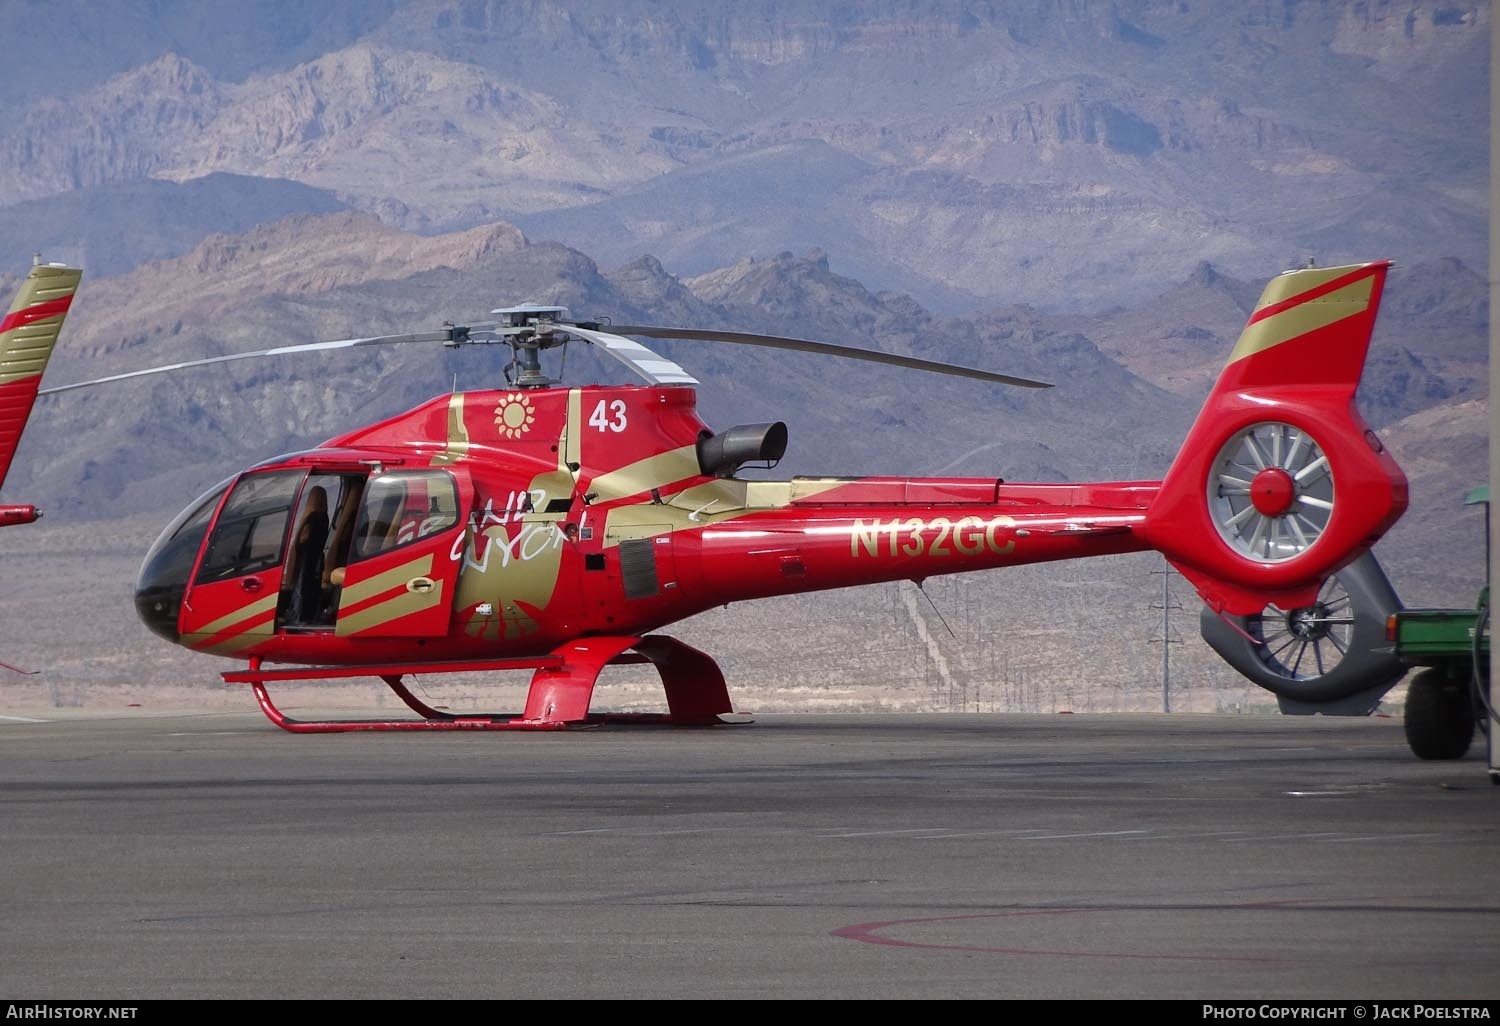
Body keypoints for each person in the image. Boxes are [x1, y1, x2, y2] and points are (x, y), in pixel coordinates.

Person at [286, 486, 330, 625]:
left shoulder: (310, 518)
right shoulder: (325, 517)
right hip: (318, 558)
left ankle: (299, 617)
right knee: (313, 589)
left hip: (306, 559)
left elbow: (303, 538)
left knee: (302, 588)